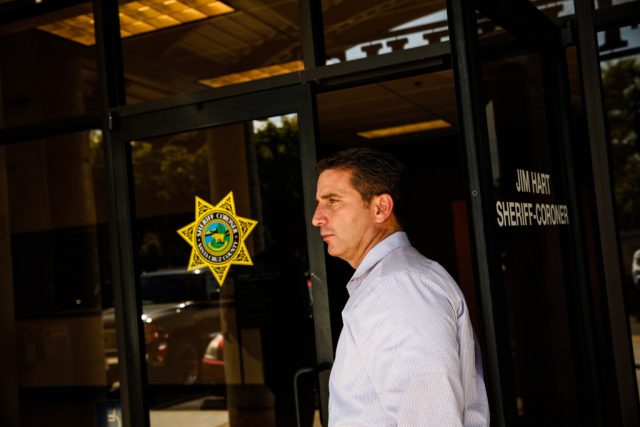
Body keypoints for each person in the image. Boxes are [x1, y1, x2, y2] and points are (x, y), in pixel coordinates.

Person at [312, 147, 489, 426]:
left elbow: (431, 417)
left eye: (333, 201)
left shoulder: (398, 288)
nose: (317, 217)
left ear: (380, 208)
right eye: (319, 203)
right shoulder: (394, 282)